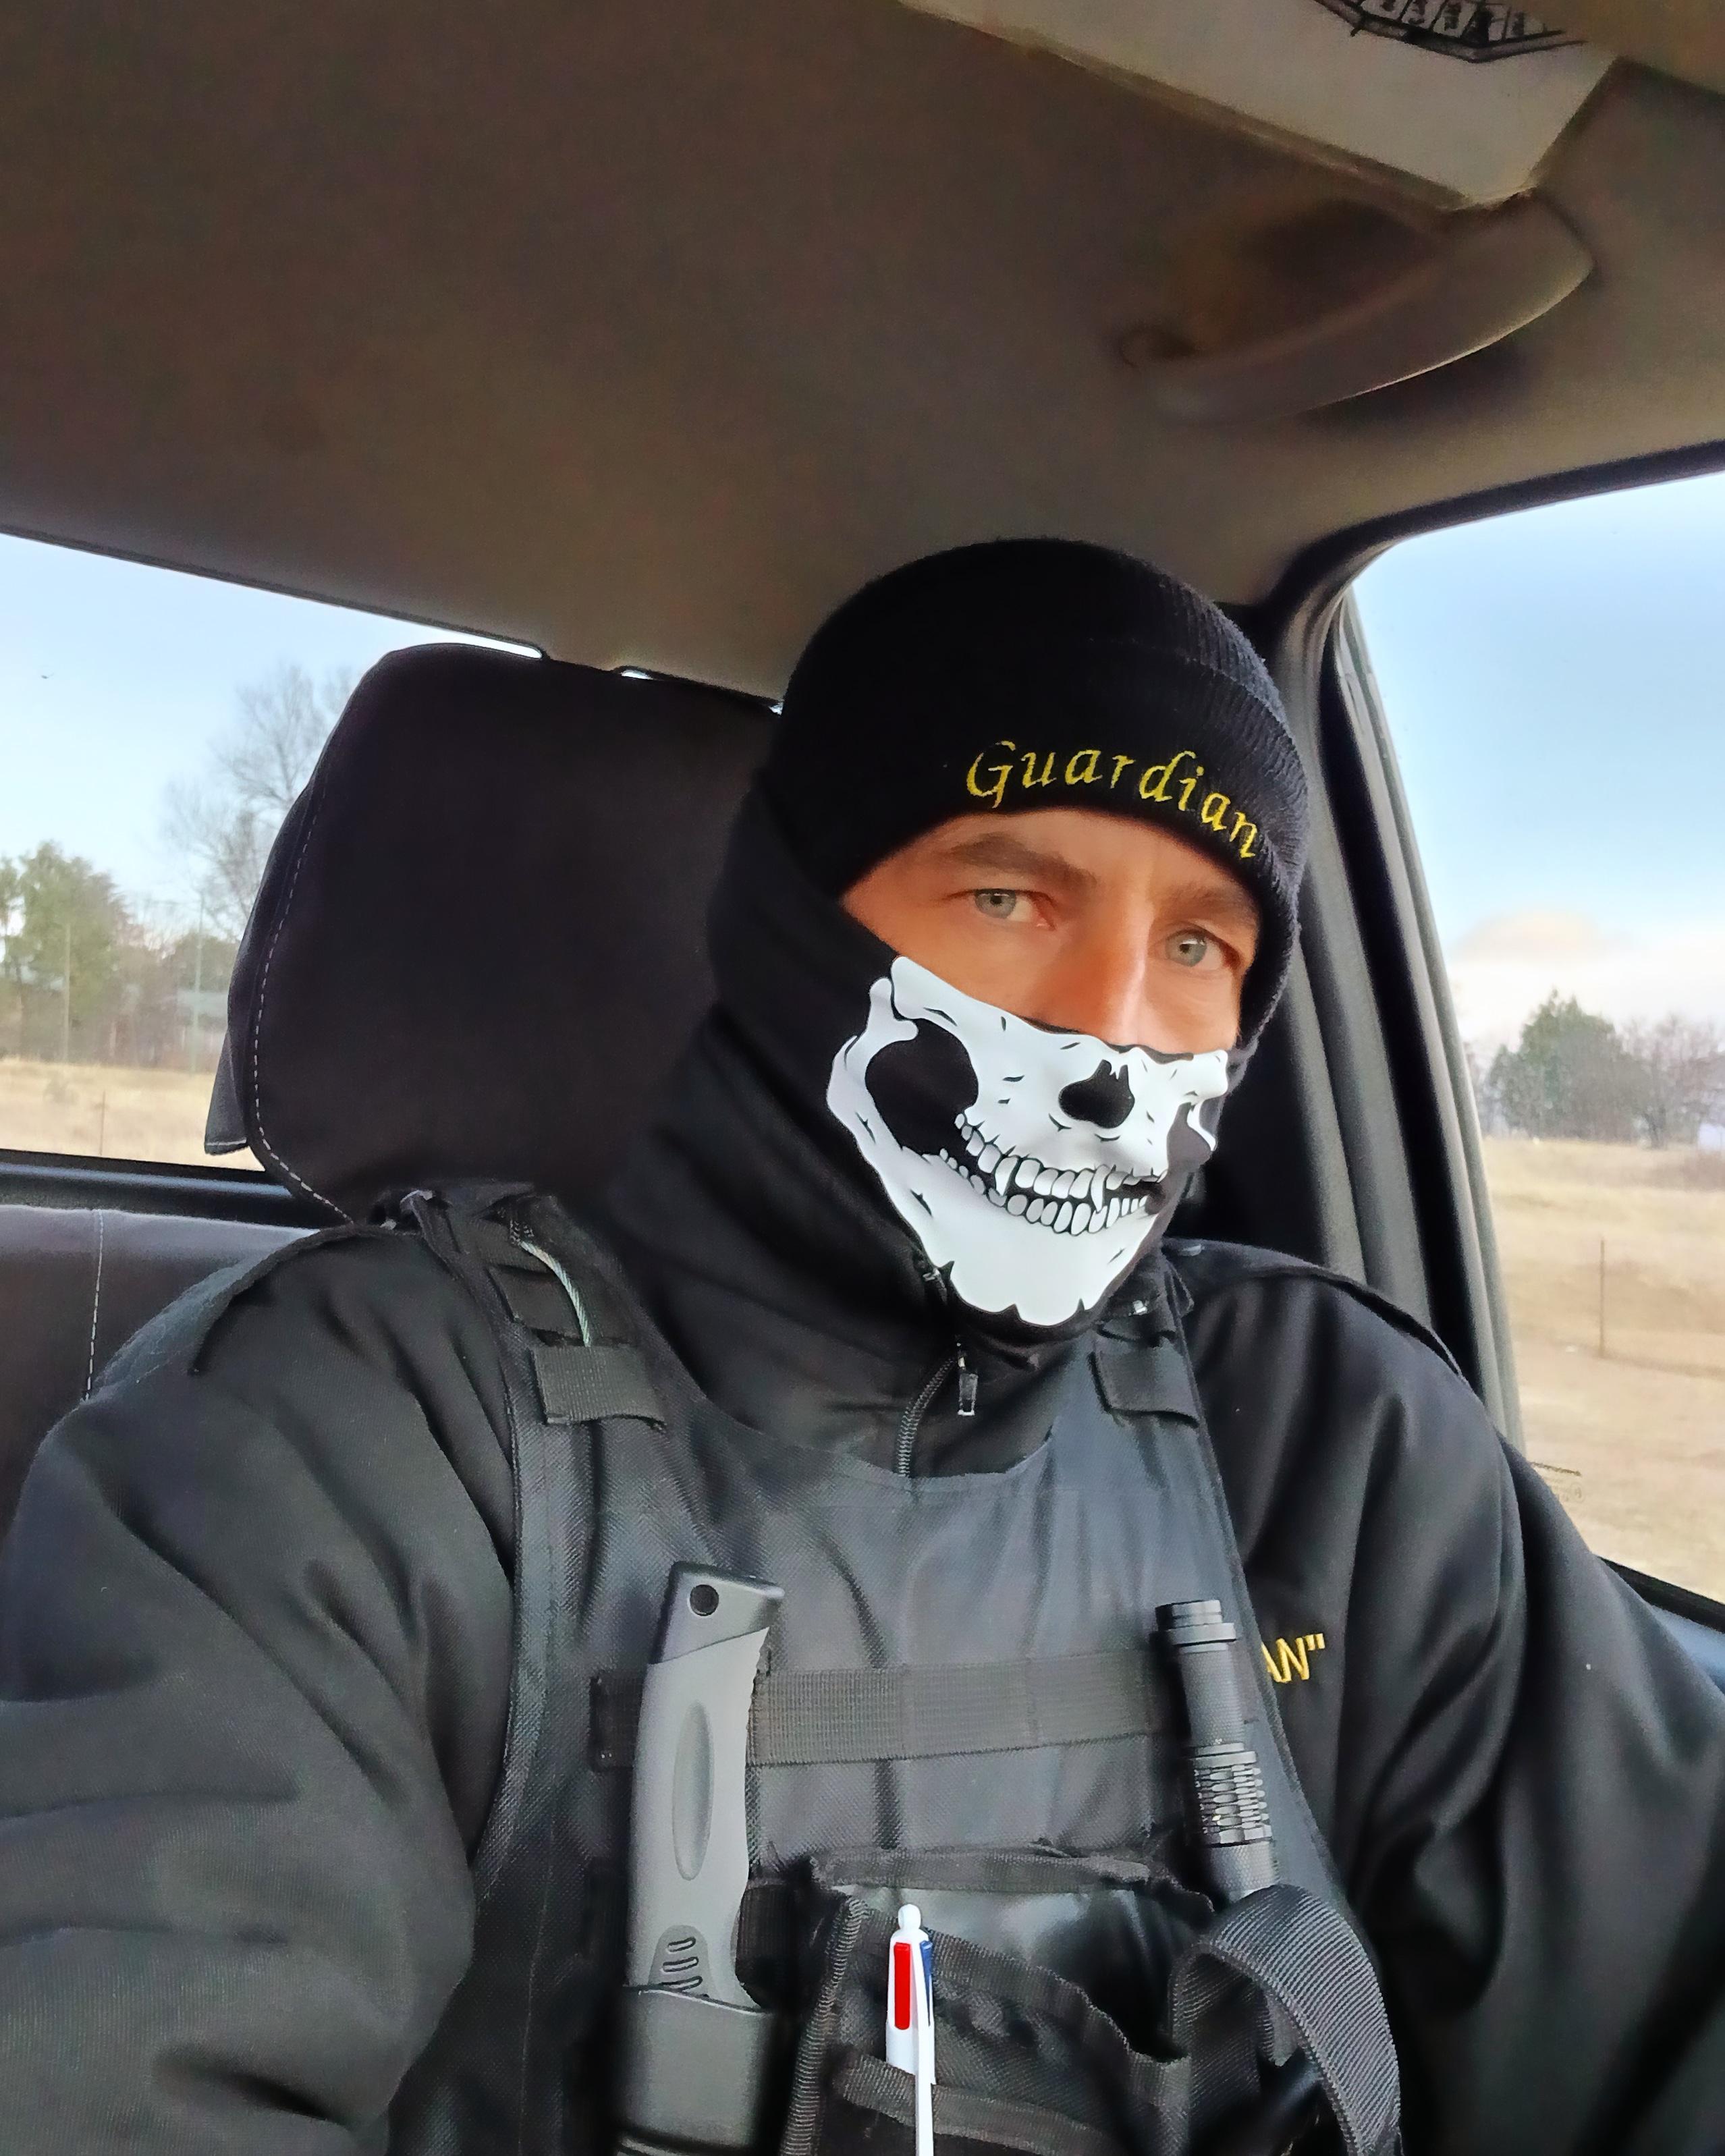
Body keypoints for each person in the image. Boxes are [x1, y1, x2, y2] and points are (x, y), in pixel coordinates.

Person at [1, 539, 1722, 2155]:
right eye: (1011, 894)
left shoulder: (1330, 1443)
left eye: (1197, 942)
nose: (1110, 1031)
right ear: (793, 917)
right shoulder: (337, 1440)